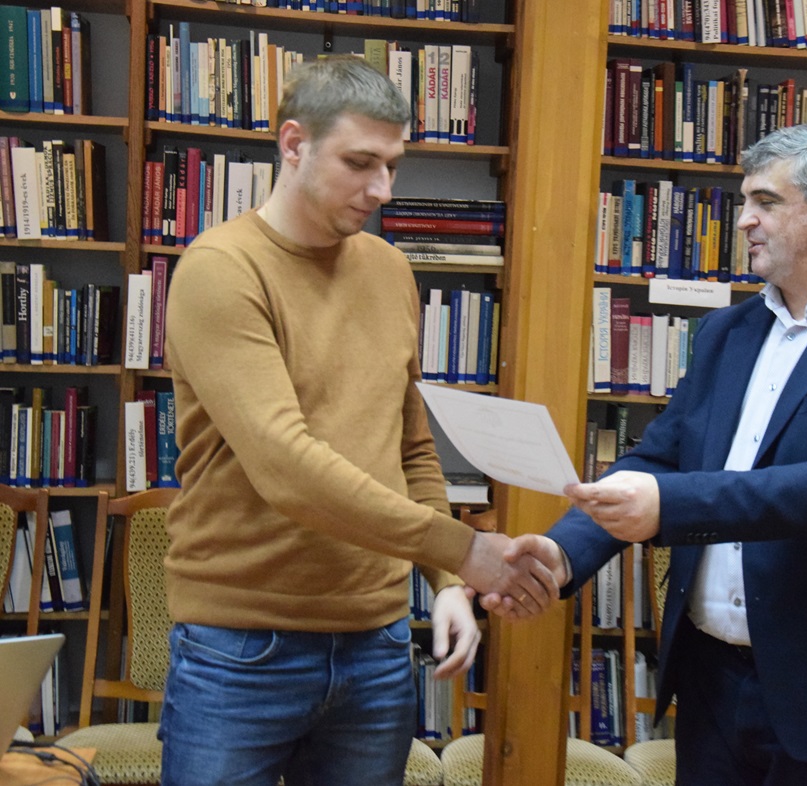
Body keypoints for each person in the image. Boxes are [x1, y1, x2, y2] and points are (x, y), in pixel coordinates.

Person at [491, 121, 807, 785]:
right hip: (712, 683)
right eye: (745, 202)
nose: (743, 221)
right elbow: (660, 458)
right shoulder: (726, 332)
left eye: (765, 202)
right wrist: (565, 551)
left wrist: (669, 507)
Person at [159, 57, 556, 786]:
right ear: (293, 144)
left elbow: (411, 447)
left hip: (377, 645)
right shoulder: (220, 270)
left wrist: (446, 581)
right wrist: (465, 549)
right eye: (359, 163)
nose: (381, 190)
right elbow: (286, 467)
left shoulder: (389, 270)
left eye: (392, 166)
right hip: (242, 647)